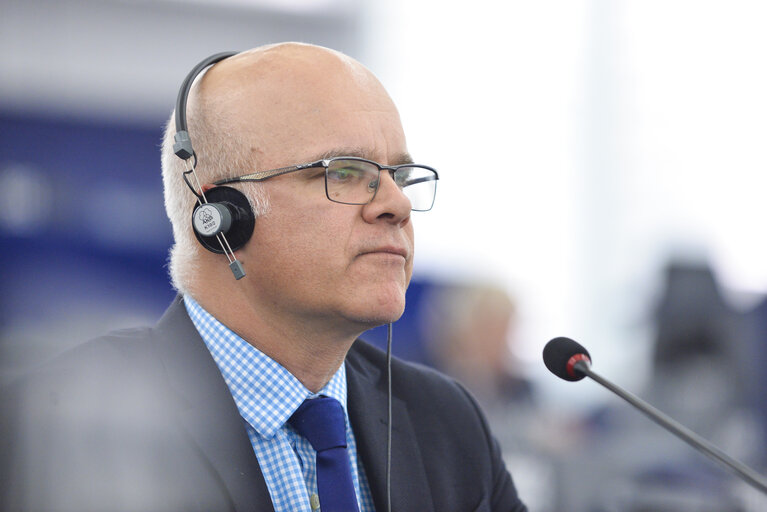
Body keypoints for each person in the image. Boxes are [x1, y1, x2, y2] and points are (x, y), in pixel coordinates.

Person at [0, 43, 527, 512]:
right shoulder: (48, 426)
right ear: (221, 216)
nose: (396, 204)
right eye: (346, 171)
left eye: (399, 176)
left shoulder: (448, 421)